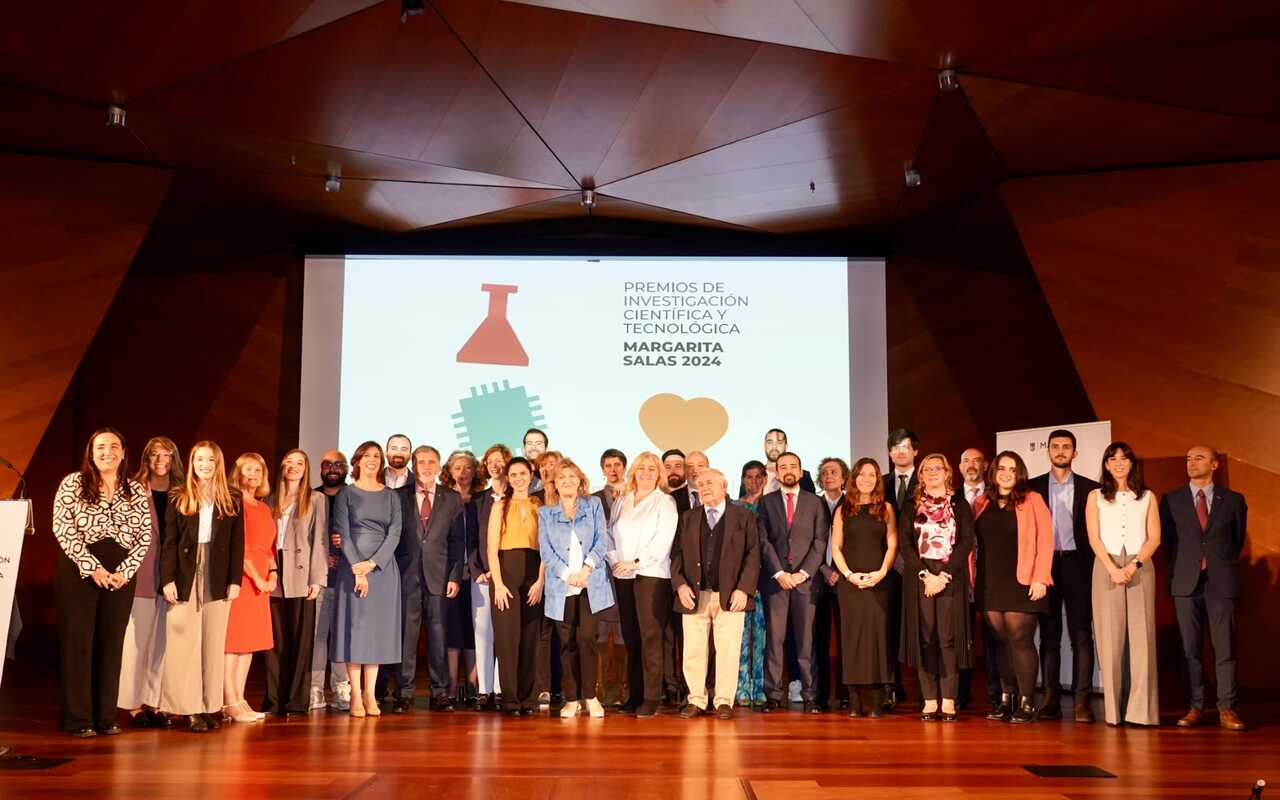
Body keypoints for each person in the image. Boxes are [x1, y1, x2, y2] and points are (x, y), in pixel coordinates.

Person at [53, 428, 152, 737]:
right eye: (100, 446)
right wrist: (91, 567)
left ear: (123, 452)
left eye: (113, 446)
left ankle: (105, 716)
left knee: (111, 644)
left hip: (121, 574)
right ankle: (78, 719)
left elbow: (145, 535)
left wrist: (126, 570)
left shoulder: (134, 489)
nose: (106, 451)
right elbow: (62, 527)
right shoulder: (73, 483)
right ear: (90, 452)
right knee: (79, 644)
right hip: (80, 571)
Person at [159, 441, 244, 733]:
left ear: (218, 463)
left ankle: (209, 706)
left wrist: (235, 580)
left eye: (210, 459)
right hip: (185, 571)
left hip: (218, 572)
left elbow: (237, 542)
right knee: (184, 640)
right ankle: (188, 708)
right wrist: (166, 579)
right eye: (199, 459)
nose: (204, 464)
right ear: (192, 463)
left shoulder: (232, 497)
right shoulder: (178, 495)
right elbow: (168, 541)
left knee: (212, 640)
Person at [1163, 446, 1247, 731]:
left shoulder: (1234, 500)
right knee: (1190, 650)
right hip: (1185, 582)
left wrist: (1215, 563)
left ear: (1214, 465)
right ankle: (1195, 707)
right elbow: (1169, 543)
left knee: (1225, 649)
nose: (1191, 462)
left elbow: (1235, 541)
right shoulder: (1171, 499)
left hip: (1221, 582)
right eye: (1187, 457)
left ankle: (1227, 708)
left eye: (1198, 457)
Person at [672, 469, 760, 720]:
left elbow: (753, 555)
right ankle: (697, 699)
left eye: (710, 483)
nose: (704, 487)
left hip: (731, 596)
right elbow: (676, 555)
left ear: (725, 485)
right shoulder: (688, 518)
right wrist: (680, 585)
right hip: (694, 595)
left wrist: (744, 589)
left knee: (728, 650)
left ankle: (723, 701)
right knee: (693, 651)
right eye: (700, 484)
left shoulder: (743, 517)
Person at [973, 452, 1053, 724]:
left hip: (1024, 580)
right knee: (1000, 643)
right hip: (989, 581)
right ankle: (1006, 698)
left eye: (1012, 469)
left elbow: (1045, 541)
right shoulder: (981, 502)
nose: (1006, 473)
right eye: (1002, 468)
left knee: (1020, 640)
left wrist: (1041, 577)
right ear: (993, 472)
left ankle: (1027, 701)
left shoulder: (1033, 500)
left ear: (1019, 473)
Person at [1085, 441, 1161, 727]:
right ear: (1106, 464)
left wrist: (1133, 565)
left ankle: (1141, 712)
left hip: (1141, 566)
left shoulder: (1148, 496)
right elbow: (1094, 538)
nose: (1119, 463)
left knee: (1143, 639)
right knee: (1110, 638)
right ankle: (1114, 712)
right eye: (1112, 459)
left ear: (1132, 463)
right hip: (1106, 566)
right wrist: (1112, 568)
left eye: (1124, 458)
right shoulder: (1095, 496)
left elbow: (1154, 537)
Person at [1028, 431, 1100, 723]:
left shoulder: (1091, 489)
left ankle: (1082, 702)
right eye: (1055, 447)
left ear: (1075, 452)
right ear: (1048, 451)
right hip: (1045, 566)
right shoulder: (1031, 488)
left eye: (1066, 447)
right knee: (1048, 636)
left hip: (1078, 565)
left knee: (1082, 635)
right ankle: (1051, 700)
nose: (1060, 451)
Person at [331, 441, 403, 718]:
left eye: (376, 456)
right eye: (367, 455)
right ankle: (355, 696)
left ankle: (370, 694)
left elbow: (395, 533)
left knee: (375, 632)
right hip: (352, 567)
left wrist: (372, 564)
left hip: (383, 569)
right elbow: (343, 533)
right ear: (357, 461)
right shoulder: (347, 494)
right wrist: (358, 568)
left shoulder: (391, 496)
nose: (372, 460)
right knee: (355, 629)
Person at [901, 453, 974, 723]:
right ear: (920, 476)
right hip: (920, 577)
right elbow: (906, 546)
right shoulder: (910, 506)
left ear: (947, 473)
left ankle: (949, 700)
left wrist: (942, 575)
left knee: (948, 639)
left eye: (937, 468)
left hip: (950, 577)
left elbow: (966, 542)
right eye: (926, 469)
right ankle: (930, 700)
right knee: (926, 639)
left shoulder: (960, 504)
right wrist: (925, 575)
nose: (932, 472)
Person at [757, 452, 831, 713]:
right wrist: (779, 573)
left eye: (793, 466)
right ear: (776, 473)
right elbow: (763, 541)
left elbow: (820, 541)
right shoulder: (766, 502)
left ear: (801, 472)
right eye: (783, 467)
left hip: (805, 583)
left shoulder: (815, 503)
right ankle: (773, 695)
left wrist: (803, 573)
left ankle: (811, 695)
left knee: (806, 640)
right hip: (775, 581)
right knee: (774, 641)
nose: (788, 470)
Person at [539, 459, 614, 718]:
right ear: (555, 484)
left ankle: (590, 696)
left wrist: (586, 570)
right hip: (562, 587)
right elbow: (546, 551)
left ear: (580, 480)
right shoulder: (546, 513)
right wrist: (567, 575)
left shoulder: (593, 505)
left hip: (590, 584)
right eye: (562, 477)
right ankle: (572, 699)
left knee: (587, 638)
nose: (567, 480)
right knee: (566, 642)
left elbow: (601, 541)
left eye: (572, 476)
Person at [389, 444, 460, 712]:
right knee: (406, 636)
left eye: (432, 461)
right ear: (413, 465)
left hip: (440, 577)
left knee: (438, 635)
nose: (426, 466)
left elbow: (456, 541)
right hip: (406, 576)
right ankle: (404, 692)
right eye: (421, 462)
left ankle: (439, 692)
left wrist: (454, 576)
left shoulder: (451, 499)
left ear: (439, 465)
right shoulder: (396, 496)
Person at [118, 435, 183, 729]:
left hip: (172, 577)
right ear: (146, 459)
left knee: (163, 644)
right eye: (154, 455)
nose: (160, 461)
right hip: (141, 574)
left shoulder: (182, 492)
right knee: (137, 642)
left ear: (174, 460)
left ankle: (155, 703)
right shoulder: (132, 489)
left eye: (166, 456)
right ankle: (132, 705)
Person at [607, 451, 678, 718]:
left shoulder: (665, 502)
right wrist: (616, 560)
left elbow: (663, 542)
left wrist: (635, 562)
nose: (646, 472)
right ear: (634, 472)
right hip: (622, 575)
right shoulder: (622, 501)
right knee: (631, 636)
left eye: (652, 468)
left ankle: (651, 696)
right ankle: (634, 695)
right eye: (642, 468)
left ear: (658, 474)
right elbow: (609, 534)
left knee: (651, 637)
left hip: (652, 575)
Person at [831, 458, 898, 718]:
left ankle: (877, 701)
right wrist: (848, 574)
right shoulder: (843, 509)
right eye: (862, 474)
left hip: (879, 582)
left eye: (872, 475)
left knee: (879, 639)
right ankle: (855, 701)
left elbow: (892, 544)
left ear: (878, 479)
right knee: (852, 640)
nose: (867, 479)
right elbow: (836, 546)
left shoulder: (887, 509)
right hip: (850, 583)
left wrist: (881, 573)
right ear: (854, 478)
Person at [264, 450, 327, 717]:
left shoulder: (316, 499)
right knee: (274, 642)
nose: (293, 467)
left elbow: (320, 539)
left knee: (301, 641)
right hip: (273, 572)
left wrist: (317, 579)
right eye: (288, 462)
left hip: (302, 575)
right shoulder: (269, 499)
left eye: (299, 463)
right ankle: (273, 700)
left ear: (306, 469)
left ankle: (296, 701)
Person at [488, 457, 546, 714]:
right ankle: (510, 698)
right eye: (514, 474)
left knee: (530, 636)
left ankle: (527, 698)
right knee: (507, 638)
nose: (519, 478)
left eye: (523, 473)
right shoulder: (499, 506)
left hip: (534, 570)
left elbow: (547, 546)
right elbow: (491, 549)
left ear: (531, 474)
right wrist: (498, 584)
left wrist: (541, 580)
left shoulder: (540, 505)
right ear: (508, 478)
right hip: (506, 570)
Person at [223, 453, 275, 723]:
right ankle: (228, 700)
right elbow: (237, 547)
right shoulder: (233, 503)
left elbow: (267, 546)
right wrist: (257, 578)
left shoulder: (264, 507)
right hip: (242, 577)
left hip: (262, 580)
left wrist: (273, 573)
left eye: (258, 469)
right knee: (233, 642)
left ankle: (240, 699)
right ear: (238, 473)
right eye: (248, 469)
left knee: (250, 643)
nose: (253, 474)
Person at [441, 450, 484, 705]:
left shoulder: (481, 499)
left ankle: (472, 684)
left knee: (474, 628)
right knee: (452, 629)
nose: (463, 472)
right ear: (449, 470)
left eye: (468, 467)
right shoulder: (444, 498)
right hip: (450, 574)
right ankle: (450, 684)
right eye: (457, 467)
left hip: (477, 574)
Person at [471, 444, 510, 710]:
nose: (494, 464)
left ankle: (500, 689)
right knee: (482, 634)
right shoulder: (478, 500)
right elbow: (472, 540)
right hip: (483, 576)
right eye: (489, 460)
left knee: (505, 634)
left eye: (500, 460)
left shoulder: (519, 497)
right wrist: (478, 570)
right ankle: (484, 691)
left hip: (508, 578)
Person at [882, 427, 919, 708]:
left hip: (921, 567)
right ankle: (892, 687)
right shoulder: (879, 483)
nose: (900, 452)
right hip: (887, 569)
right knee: (889, 628)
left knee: (923, 629)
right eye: (895, 447)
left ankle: (926, 690)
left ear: (915, 451)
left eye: (905, 446)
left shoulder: (929, 480)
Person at [956, 447, 995, 711]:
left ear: (986, 465)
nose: (971, 465)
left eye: (976, 460)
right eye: (966, 460)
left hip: (993, 576)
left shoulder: (997, 496)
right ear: (958, 468)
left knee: (994, 637)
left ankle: (997, 694)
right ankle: (960, 693)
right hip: (959, 577)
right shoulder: (951, 498)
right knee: (962, 637)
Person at [313, 450, 350, 710]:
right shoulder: (311, 496)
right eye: (327, 465)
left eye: (338, 464)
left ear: (346, 468)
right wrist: (322, 555)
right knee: (318, 635)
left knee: (342, 636)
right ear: (321, 469)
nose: (333, 469)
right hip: (317, 578)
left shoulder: (354, 496)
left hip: (348, 578)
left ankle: (341, 688)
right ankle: (314, 688)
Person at [813, 456, 850, 711]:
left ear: (844, 477)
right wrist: (824, 569)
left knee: (846, 638)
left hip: (846, 578)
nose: (829, 477)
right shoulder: (812, 503)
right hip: (818, 579)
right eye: (824, 473)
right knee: (819, 639)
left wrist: (839, 570)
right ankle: (822, 694)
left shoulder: (852, 503)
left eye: (834, 472)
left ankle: (846, 693)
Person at [734, 461, 768, 709]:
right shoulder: (735, 507)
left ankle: (760, 687)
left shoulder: (772, 504)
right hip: (742, 578)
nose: (754, 481)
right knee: (741, 636)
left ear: (766, 478)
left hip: (768, 579)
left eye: (758, 476)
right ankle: (741, 686)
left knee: (764, 637)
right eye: (749, 477)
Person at [660, 447, 689, 705]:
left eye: (678, 466)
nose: (673, 471)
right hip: (657, 575)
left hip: (687, 577)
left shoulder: (692, 498)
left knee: (688, 635)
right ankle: (669, 686)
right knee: (665, 635)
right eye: (667, 466)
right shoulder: (655, 497)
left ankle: (691, 688)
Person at [761, 428, 817, 494]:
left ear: (786, 446)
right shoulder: (751, 475)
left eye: (779, 443)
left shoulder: (804, 477)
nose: (774, 447)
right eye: (770, 442)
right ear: (764, 445)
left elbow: (811, 501)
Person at [594, 449, 627, 520]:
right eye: (608, 466)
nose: (613, 469)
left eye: (617, 465)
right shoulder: (594, 499)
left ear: (624, 468)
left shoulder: (637, 494)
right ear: (603, 470)